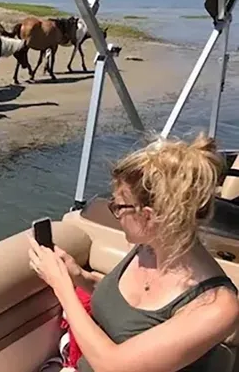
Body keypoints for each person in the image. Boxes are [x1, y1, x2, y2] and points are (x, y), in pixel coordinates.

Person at [28, 132, 239, 372]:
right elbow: (129, 311)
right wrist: (80, 276)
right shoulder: (147, 247)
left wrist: (62, 286)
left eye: (118, 206)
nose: (115, 214)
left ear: (147, 216)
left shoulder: (216, 306)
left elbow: (114, 365)